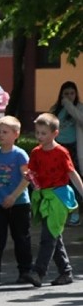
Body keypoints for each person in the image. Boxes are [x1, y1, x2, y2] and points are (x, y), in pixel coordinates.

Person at [20, 113, 83, 287]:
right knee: (54, 236)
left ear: (55, 133)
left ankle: (38, 272)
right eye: (37, 133)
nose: (39, 137)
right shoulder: (36, 152)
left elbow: (71, 173)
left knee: (48, 236)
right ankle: (66, 272)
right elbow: (32, 174)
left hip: (59, 197)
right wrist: (31, 179)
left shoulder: (61, 152)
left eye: (44, 133)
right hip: (44, 197)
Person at [0, 116, 33, 284]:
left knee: (21, 238)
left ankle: (25, 272)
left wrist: (13, 196)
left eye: (5, 132)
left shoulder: (20, 155)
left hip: (19, 204)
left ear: (16, 134)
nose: (1, 135)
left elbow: (27, 178)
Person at [49, 81, 83, 226]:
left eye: (72, 93)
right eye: (66, 93)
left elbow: (81, 120)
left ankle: (75, 212)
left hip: (74, 148)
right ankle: (60, 210)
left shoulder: (79, 108)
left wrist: (69, 106)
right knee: (58, 180)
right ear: (61, 95)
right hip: (58, 148)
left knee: (74, 180)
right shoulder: (55, 109)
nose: (69, 96)